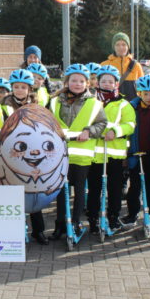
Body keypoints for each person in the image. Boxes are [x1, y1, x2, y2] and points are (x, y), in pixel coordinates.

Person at [48, 64, 107, 240]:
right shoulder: (54, 101)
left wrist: (89, 131)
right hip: (59, 155)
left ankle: (74, 222)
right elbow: (48, 122)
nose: (77, 83)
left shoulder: (95, 103)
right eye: (74, 80)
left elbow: (102, 123)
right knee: (60, 191)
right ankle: (60, 225)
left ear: (88, 84)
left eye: (81, 81)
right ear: (67, 82)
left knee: (79, 191)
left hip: (82, 155)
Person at [0, 69, 47, 244]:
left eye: (23, 87)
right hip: (12, 154)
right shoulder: (3, 106)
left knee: (33, 191)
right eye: (16, 87)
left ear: (29, 89)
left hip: (32, 156)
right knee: (13, 192)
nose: (19, 90)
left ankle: (39, 230)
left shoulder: (37, 106)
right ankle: (15, 229)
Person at [86, 65, 136, 233]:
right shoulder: (90, 102)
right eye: (104, 81)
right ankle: (93, 220)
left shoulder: (123, 104)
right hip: (94, 155)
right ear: (97, 82)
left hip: (114, 155)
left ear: (116, 84)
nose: (107, 84)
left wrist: (116, 131)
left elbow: (130, 125)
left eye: (110, 81)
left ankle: (113, 218)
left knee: (114, 189)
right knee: (94, 189)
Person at [121, 75, 150, 226]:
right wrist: (126, 154)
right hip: (136, 153)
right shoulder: (131, 107)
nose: (149, 97)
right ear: (139, 93)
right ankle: (132, 214)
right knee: (135, 186)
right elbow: (127, 133)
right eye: (145, 93)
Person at [100, 32, 144, 100]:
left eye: (124, 44)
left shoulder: (136, 66)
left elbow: (142, 88)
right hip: (111, 105)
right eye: (117, 45)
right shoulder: (104, 65)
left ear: (128, 47)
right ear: (113, 47)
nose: (121, 47)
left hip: (132, 105)